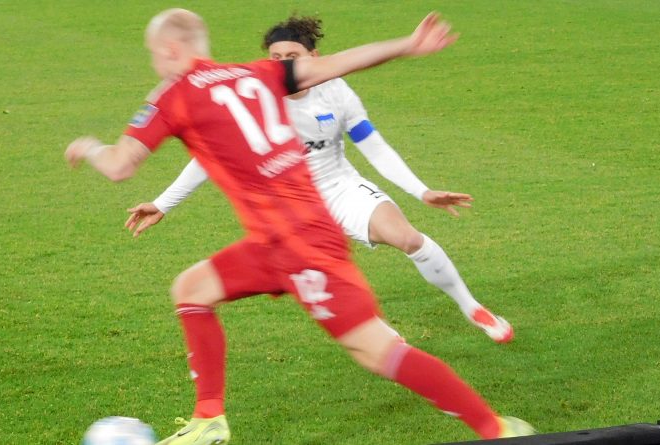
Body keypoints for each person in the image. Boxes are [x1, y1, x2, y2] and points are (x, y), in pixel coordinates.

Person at [65, 8, 534, 445]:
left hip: (303, 245)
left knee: (377, 351)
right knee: (192, 288)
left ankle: (497, 428)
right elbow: (336, 64)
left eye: (153, 54)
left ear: (169, 50)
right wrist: (406, 44)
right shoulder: (258, 73)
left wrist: (87, 146)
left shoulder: (172, 94)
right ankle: (209, 420)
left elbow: (120, 166)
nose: (154, 63)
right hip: (273, 241)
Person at [126, 15, 513, 344]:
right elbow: (208, 160)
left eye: (291, 57)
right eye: (275, 58)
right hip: (288, 207)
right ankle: (380, 336)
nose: (283, 65)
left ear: (313, 58)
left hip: (339, 186)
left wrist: (421, 191)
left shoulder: (337, 92)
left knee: (408, 238)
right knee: (334, 278)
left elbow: (373, 146)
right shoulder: (254, 94)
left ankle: (472, 307)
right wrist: (163, 203)